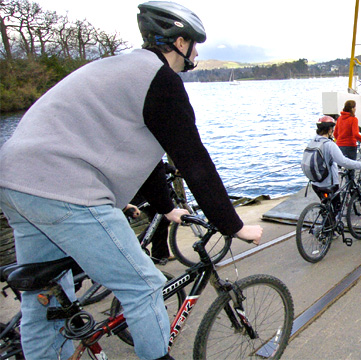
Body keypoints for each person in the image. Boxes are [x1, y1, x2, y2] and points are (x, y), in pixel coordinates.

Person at [0, 3, 263, 359]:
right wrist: (232, 224)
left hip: (15, 182)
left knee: (44, 298)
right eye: (195, 44)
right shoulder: (161, 79)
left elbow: (149, 153)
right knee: (144, 286)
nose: (197, 53)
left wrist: (167, 208)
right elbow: (193, 159)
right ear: (180, 41)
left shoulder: (120, 69)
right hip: (64, 188)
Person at [308, 116, 361, 210]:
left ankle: (327, 221)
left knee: (327, 207)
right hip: (329, 184)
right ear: (330, 129)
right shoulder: (329, 144)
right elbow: (344, 162)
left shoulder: (313, 141)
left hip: (315, 183)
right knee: (337, 208)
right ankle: (333, 221)